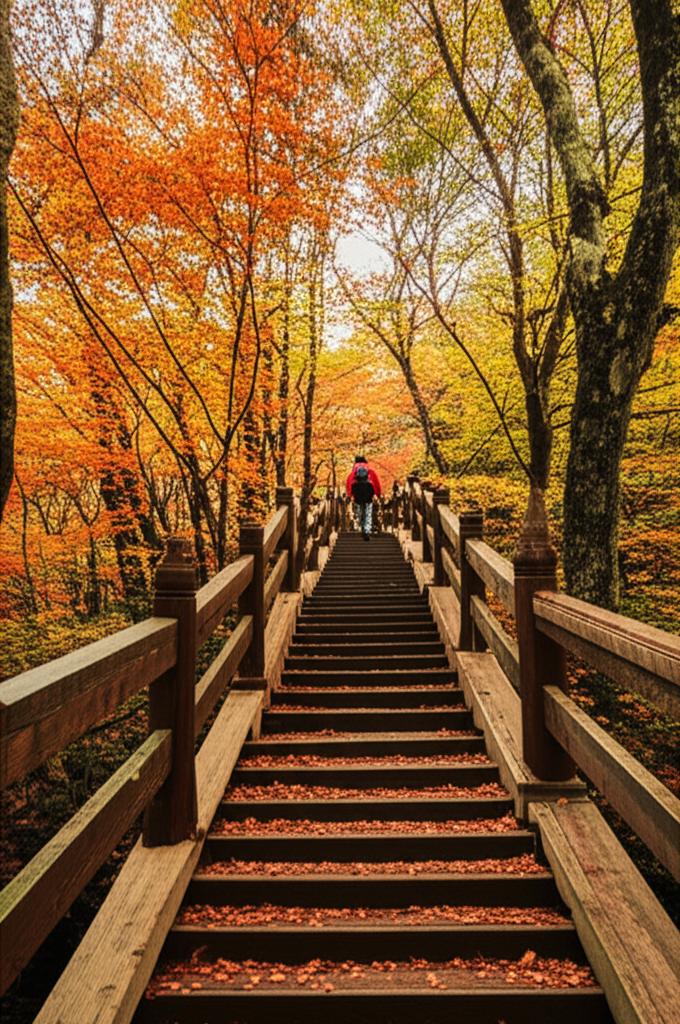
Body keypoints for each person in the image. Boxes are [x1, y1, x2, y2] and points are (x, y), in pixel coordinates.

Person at [346, 454, 382, 540]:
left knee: (360, 512)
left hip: (358, 496)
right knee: (368, 513)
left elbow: (349, 484)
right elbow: (376, 484)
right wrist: (378, 495)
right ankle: (367, 530)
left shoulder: (353, 473)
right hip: (369, 495)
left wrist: (351, 495)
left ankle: (362, 528)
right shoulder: (371, 472)